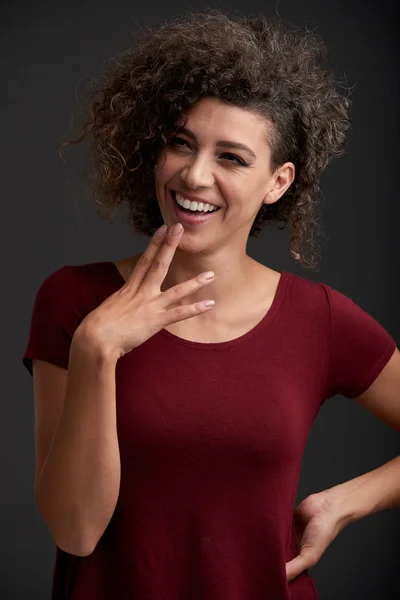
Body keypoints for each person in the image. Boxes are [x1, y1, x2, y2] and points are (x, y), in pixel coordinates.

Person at [22, 8, 399, 600]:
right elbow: (75, 532)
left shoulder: (317, 319)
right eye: (181, 144)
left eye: (232, 157)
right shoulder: (75, 301)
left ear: (278, 181)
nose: (194, 176)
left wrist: (345, 504)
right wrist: (98, 349)